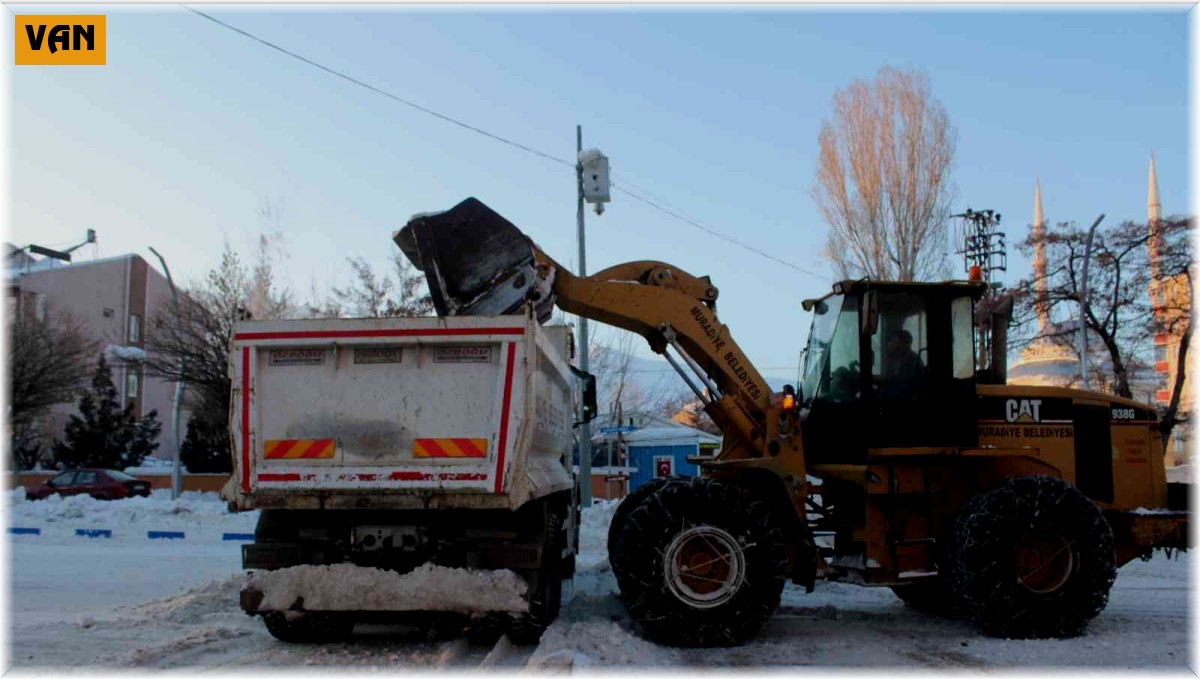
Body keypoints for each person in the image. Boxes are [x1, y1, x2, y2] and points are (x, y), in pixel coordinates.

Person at [879, 328, 924, 399]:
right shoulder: (897, 357)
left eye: (894, 340)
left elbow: (902, 383)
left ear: (903, 343)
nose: (890, 343)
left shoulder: (912, 359)